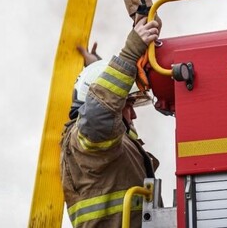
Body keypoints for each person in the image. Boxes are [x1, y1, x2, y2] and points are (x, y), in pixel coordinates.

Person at [61, 17, 161, 227]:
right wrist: (130, 53)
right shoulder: (86, 140)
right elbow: (101, 111)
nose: (133, 116)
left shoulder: (108, 140)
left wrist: (98, 68)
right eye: (128, 105)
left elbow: (105, 104)